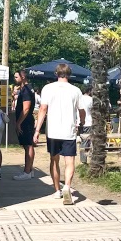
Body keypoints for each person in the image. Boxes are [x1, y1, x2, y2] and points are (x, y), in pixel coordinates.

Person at [34, 63, 85, 204]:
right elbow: (82, 110)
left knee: (54, 160)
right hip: (69, 131)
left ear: (56, 74)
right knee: (70, 161)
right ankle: (67, 186)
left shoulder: (47, 88)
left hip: (53, 131)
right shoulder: (76, 90)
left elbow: (43, 109)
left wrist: (37, 130)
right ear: (69, 75)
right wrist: (82, 121)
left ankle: (57, 190)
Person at [12, 70, 36, 180]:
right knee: (28, 145)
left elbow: (26, 108)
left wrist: (18, 123)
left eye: (16, 77)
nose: (14, 79)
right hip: (26, 120)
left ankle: (27, 171)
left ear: (22, 77)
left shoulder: (26, 90)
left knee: (28, 145)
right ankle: (29, 170)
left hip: (25, 121)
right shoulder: (27, 88)